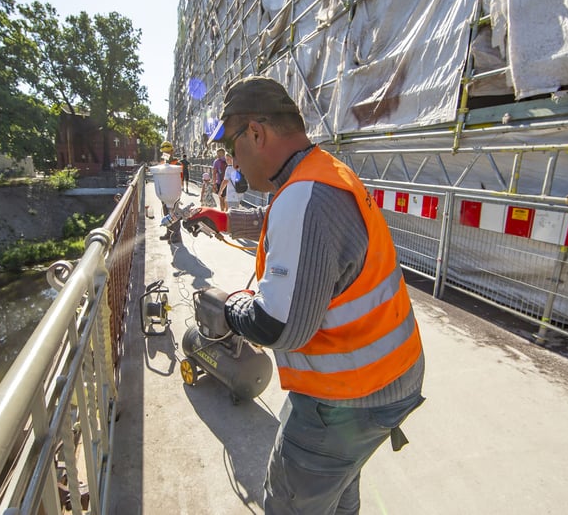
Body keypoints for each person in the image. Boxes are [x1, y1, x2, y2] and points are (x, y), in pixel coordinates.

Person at [183, 76, 425, 514]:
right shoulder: (322, 171)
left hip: (346, 396)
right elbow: (299, 230)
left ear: (256, 133)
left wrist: (228, 307)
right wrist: (225, 219)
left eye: (231, 148)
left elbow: (279, 325)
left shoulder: (305, 195)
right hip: (390, 376)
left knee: (291, 500)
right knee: (336, 487)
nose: (231, 161)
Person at [158, 141, 183, 244]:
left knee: (174, 214)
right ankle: (169, 233)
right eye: (164, 152)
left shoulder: (177, 164)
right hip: (164, 192)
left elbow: (179, 178)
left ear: (172, 151)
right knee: (166, 214)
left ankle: (176, 236)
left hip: (174, 192)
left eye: (168, 152)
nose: (166, 154)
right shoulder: (162, 164)